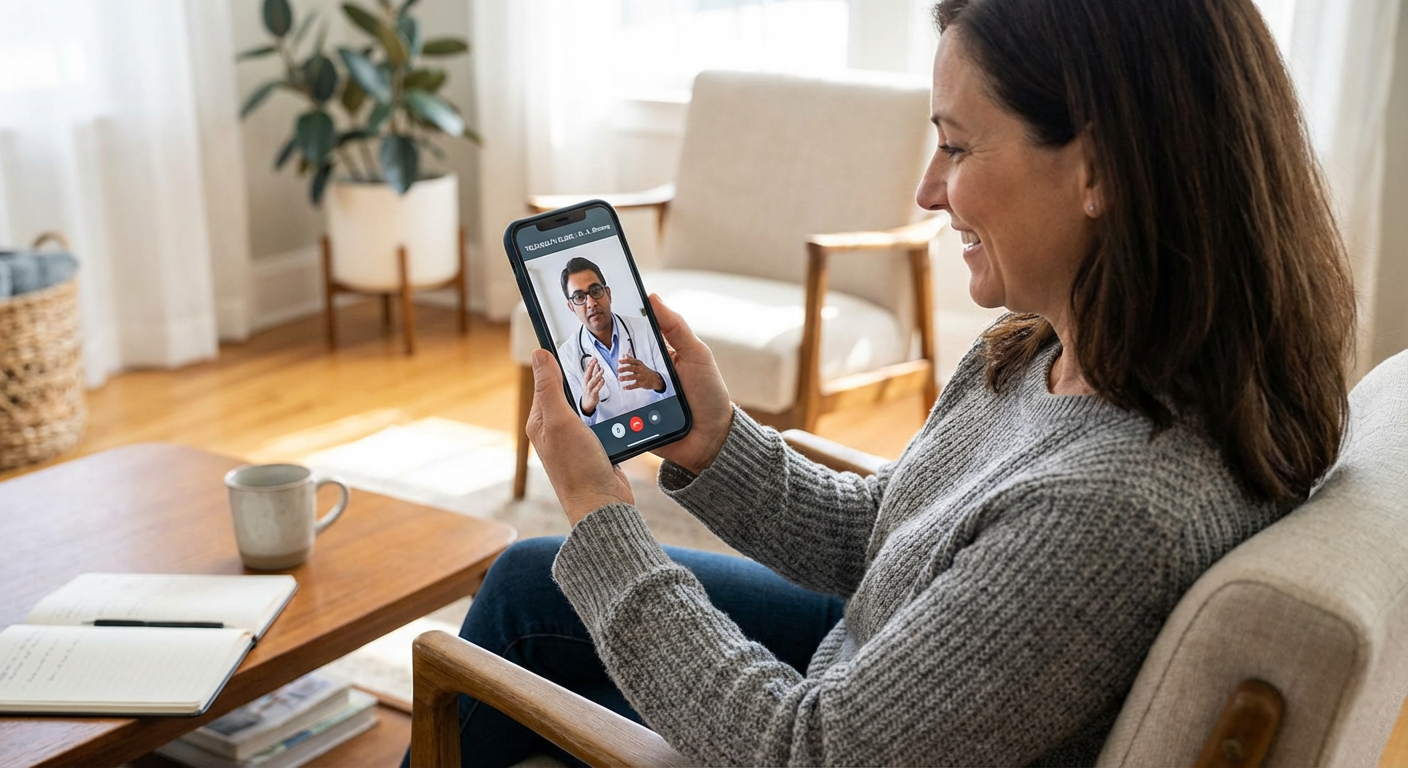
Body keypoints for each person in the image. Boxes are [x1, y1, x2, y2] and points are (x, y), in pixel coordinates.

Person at [442, 0, 1357, 764]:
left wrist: (602, 515)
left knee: (516, 614)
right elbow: (895, 538)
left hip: (827, 724)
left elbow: (807, 750)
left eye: (958, 148)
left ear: (1100, 169)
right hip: (872, 672)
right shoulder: (1047, 352)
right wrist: (716, 439)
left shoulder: (1106, 514)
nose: (927, 190)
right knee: (530, 580)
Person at [554, 256, 674, 425]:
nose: (591, 303)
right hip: (610, 444)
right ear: (571, 307)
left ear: (608, 294)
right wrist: (586, 406)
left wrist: (656, 380)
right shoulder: (566, 355)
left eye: (595, 290)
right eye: (579, 297)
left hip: (659, 425)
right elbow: (575, 427)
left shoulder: (646, 329)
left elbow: (678, 393)